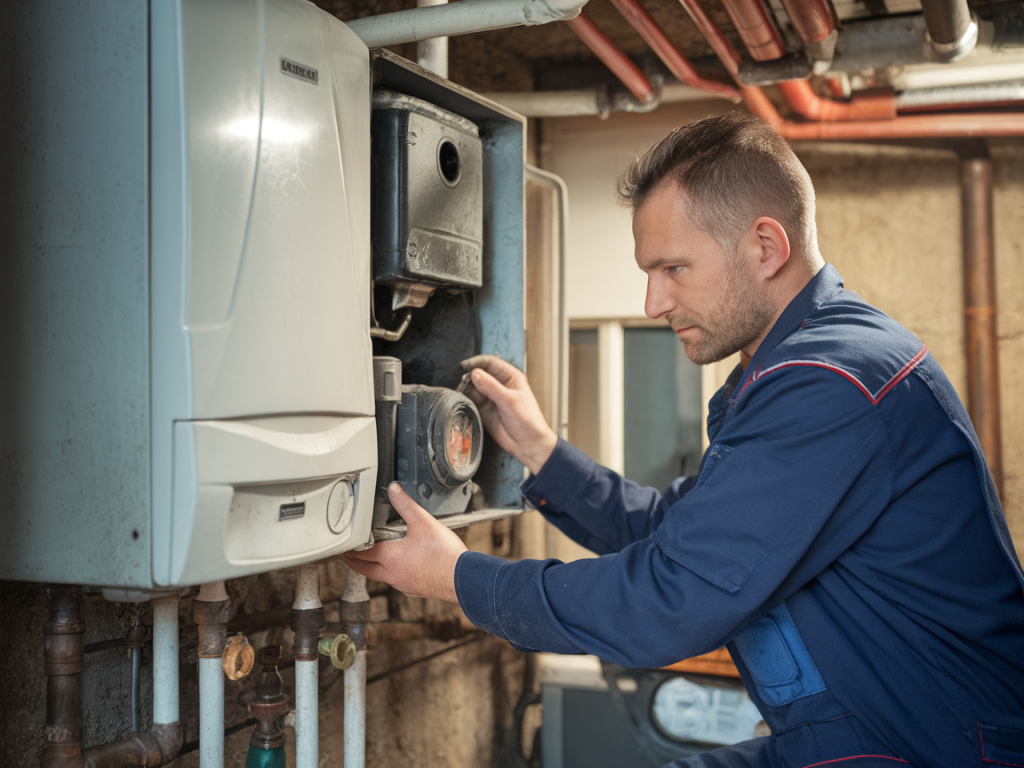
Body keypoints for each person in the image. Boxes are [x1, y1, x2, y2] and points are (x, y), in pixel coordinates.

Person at [344, 112, 1024, 767]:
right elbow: (682, 534)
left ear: (766, 247)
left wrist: (460, 578)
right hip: (861, 733)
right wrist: (541, 453)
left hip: (931, 748)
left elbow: (672, 600)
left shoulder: (832, 382)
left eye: (673, 269)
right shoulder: (806, 366)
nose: (653, 303)